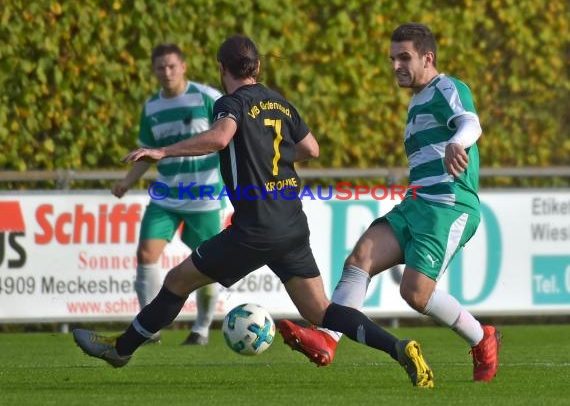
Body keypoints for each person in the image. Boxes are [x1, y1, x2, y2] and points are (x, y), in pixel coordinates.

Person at [73, 34, 434, 388]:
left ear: (221, 69)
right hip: (291, 224)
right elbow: (312, 148)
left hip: (254, 229)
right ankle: (399, 347)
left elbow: (219, 138)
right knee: (320, 310)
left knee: (176, 282)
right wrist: (274, 159)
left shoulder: (230, 103)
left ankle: (120, 350)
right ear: (257, 66)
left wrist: (163, 152)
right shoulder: (279, 102)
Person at [279, 23, 501, 383]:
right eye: (392, 58)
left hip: (448, 205)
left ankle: (482, 337)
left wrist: (458, 143)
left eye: (404, 57)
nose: (396, 65)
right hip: (416, 203)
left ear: (428, 58)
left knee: (415, 294)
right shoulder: (417, 100)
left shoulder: (448, 87)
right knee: (360, 257)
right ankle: (327, 340)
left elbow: (471, 123)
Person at [111, 43, 224, 346]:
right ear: (154, 70)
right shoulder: (151, 107)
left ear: (184, 67)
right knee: (146, 254)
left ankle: (201, 329)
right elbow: (148, 154)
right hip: (166, 196)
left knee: (208, 267)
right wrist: (126, 182)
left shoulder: (208, 98)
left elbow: (228, 135)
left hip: (205, 196)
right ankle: (151, 329)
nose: (167, 72)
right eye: (161, 67)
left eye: (172, 66)